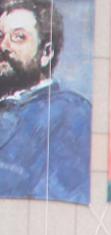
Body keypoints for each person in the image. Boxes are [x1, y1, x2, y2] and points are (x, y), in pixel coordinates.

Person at [0, 1, 88, 204]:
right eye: (0, 36)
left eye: (18, 37)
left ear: (46, 53)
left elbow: (62, 200)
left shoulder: (72, 114)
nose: (3, 46)